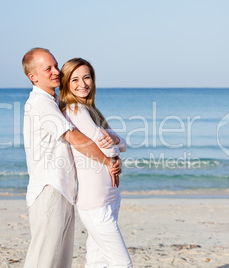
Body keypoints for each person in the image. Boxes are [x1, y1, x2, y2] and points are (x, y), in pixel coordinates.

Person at [22, 48, 121, 268]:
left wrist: (113, 151)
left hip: (65, 189)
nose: (56, 72)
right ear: (33, 76)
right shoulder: (41, 103)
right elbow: (74, 137)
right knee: (43, 259)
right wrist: (107, 161)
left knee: (60, 260)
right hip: (49, 188)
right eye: (48, 68)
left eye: (56, 65)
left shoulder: (55, 101)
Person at [60, 58, 133, 267]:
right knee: (122, 263)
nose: (82, 84)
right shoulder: (75, 110)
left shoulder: (91, 110)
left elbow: (122, 144)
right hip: (96, 203)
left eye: (86, 77)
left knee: (97, 262)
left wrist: (114, 147)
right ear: (66, 83)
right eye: (74, 79)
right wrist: (114, 152)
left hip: (110, 198)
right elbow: (109, 147)